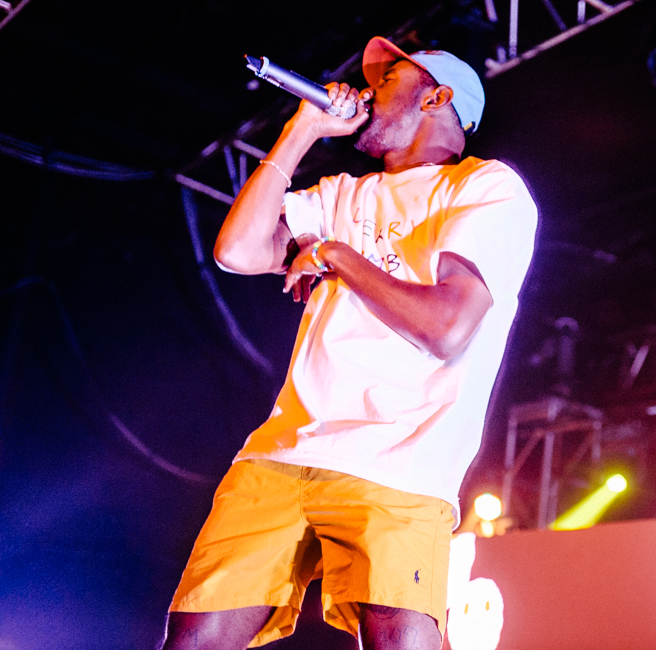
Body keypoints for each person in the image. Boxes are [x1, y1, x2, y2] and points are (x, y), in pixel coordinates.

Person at [161, 36, 537, 650]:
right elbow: (237, 252)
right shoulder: (340, 193)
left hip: (400, 463)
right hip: (281, 455)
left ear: (436, 97)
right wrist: (303, 129)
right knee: (193, 642)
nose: (365, 92)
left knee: (395, 642)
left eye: (387, 79)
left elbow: (447, 328)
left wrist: (337, 254)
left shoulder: (484, 188)